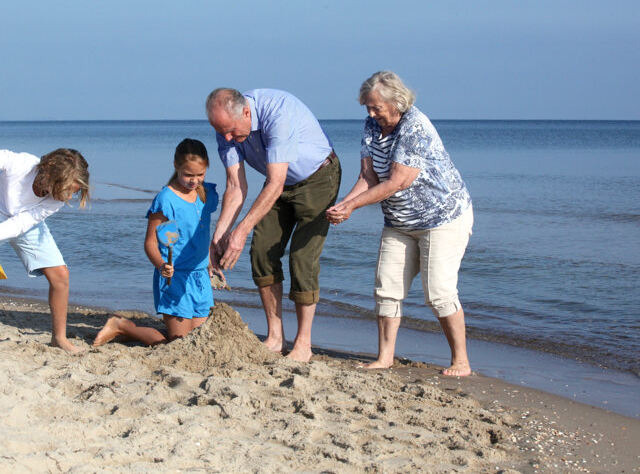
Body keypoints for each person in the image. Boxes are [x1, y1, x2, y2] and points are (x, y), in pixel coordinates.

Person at [326, 71, 474, 377]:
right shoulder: (371, 126)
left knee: (439, 292)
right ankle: (385, 357)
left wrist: (353, 206)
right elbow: (368, 177)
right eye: (367, 107)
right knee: (386, 288)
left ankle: (461, 361)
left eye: (376, 107)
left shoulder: (415, 125)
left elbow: (398, 181)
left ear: (397, 102)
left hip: (441, 218)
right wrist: (343, 205)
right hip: (398, 221)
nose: (371, 113)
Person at [206, 88, 341, 362]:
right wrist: (219, 236)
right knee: (261, 251)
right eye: (221, 132)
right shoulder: (226, 129)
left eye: (230, 131)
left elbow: (276, 183)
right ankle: (276, 337)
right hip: (278, 184)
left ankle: (303, 343)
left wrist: (241, 231)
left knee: (302, 258)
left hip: (317, 177)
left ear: (246, 112)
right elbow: (235, 186)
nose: (227, 138)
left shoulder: (278, 113)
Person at [0, 145, 90, 353]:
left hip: (24, 221)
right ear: (52, 176)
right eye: (67, 190)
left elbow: (21, 223)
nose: (68, 198)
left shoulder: (55, 201)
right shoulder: (20, 164)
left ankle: (59, 338)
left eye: (73, 193)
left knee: (60, 274)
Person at [92, 139, 223, 347]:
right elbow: (150, 243)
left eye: (200, 174)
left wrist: (210, 261)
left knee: (197, 341)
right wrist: (161, 265)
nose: (194, 180)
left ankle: (129, 330)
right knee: (179, 344)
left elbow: (200, 233)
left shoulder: (206, 193)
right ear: (176, 166)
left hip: (199, 277)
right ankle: (121, 325)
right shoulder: (166, 199)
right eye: (188, 175)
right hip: (174, 277)